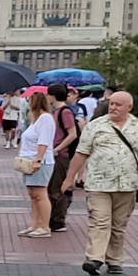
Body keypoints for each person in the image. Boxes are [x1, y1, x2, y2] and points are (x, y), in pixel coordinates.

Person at [65, 91, 138, 275]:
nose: (113, 107)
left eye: (118, 104)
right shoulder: (96, 125)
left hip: (128, 184)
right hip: (98, 183)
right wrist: (70, 177)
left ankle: (114, 260)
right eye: (111, 103)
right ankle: (94, 258)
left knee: (118, 224)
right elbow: (81, 152)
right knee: (99, 221)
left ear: (129, 107)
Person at [17, 89, 58, 237]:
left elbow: (43, 141)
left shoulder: (45, 119)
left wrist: (38, 160)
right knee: (33, 194)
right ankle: (35, 224)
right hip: (28, 160)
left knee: (40, 193)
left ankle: (44, 226)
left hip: (40, 160)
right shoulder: (35, 119)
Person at [46, 84, 83, 231]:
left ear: (53, 96)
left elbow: (72, 134)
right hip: (56, 153)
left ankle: (58, 219)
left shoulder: (64, 112)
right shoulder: (56, 111)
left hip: (62, 155)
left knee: (58, 187)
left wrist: (58, 148)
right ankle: (53, 217)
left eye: (49, 94)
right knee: (52, 186)